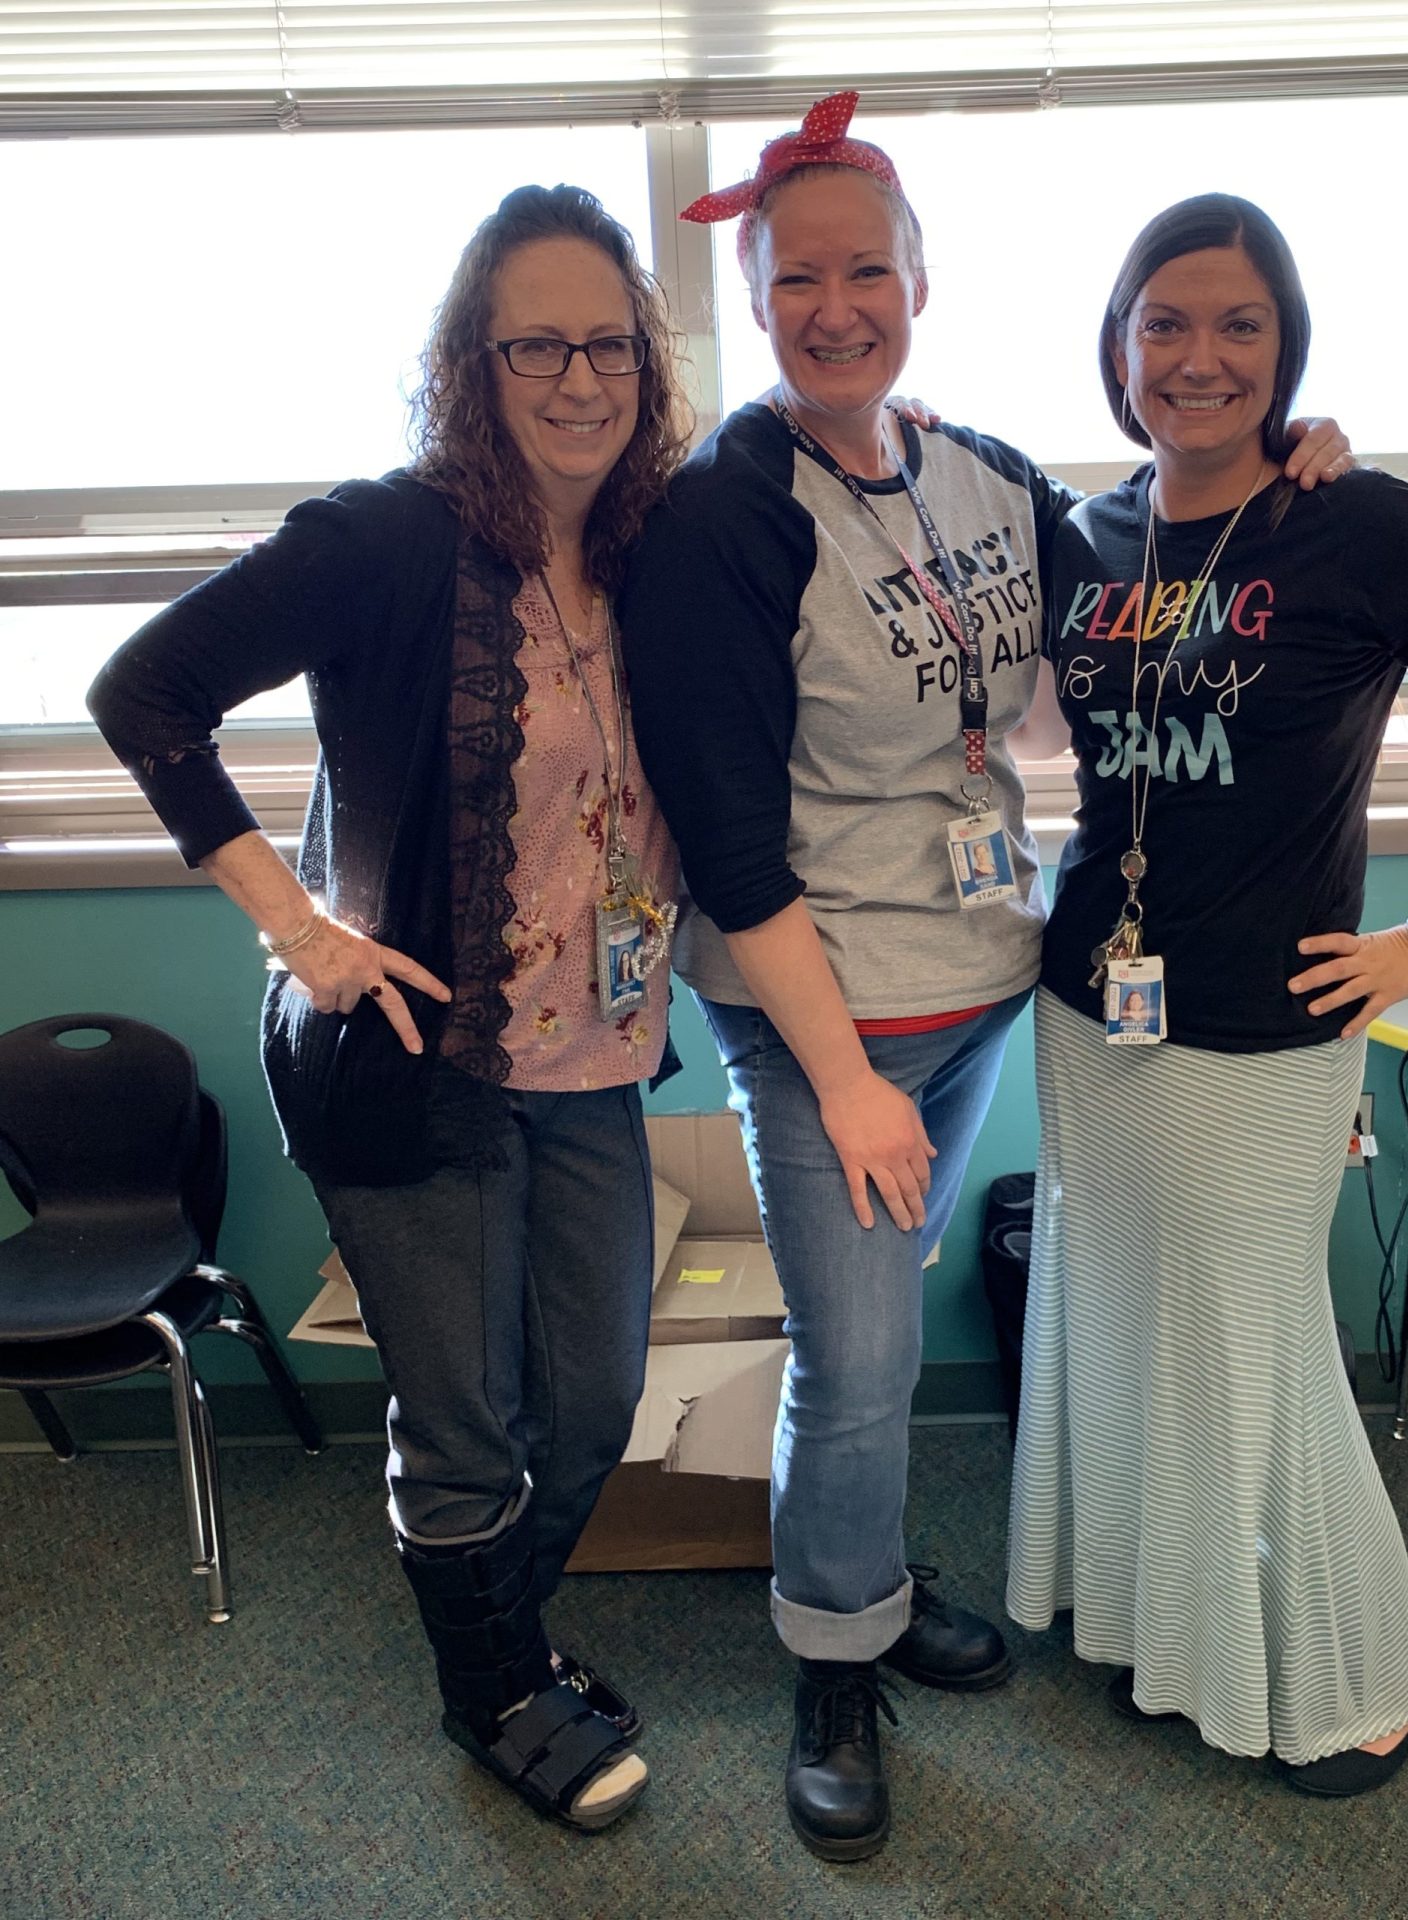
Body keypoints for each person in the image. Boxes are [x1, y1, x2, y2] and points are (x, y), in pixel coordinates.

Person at [617, 96, 1349, 1859]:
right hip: (828, 1022)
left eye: (869, 271)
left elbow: (1157, 559)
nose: (838, 308)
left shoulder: (979, 473)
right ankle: (832, 1656)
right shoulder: (727, 515)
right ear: (754, 299)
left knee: (881, 1324)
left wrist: (1298, 463)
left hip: (974, 986)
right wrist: (844, 1081)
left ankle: (866, 1578)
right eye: (800, 280)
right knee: (860, 1359)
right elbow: (729, 842)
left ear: (920, 283)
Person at [88, 185, 690, 1833]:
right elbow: (144, 691)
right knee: (468, 1417)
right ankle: (491, 1692)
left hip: (596, 1051)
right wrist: (300, 931)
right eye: (535, 346)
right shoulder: (389, 539)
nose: (580, 378)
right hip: (413, 1058)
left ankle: (505, 1631)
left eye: (611, 345)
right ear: (470, 363)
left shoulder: (647, 543)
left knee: (595, 1396)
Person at [1005, 193, 1408, 1796]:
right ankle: (1162, 1626)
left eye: (1239, 325)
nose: (1199, 357)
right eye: (1166, 323)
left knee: (1254, 1346)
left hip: (1269, 1022)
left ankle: (1368, 1678)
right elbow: (1040, 728)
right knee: (1129, 1319)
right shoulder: (1089, 535)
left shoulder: (1359, 522)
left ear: (1287, 348)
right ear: (1120, 345)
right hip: (1089, 1008)